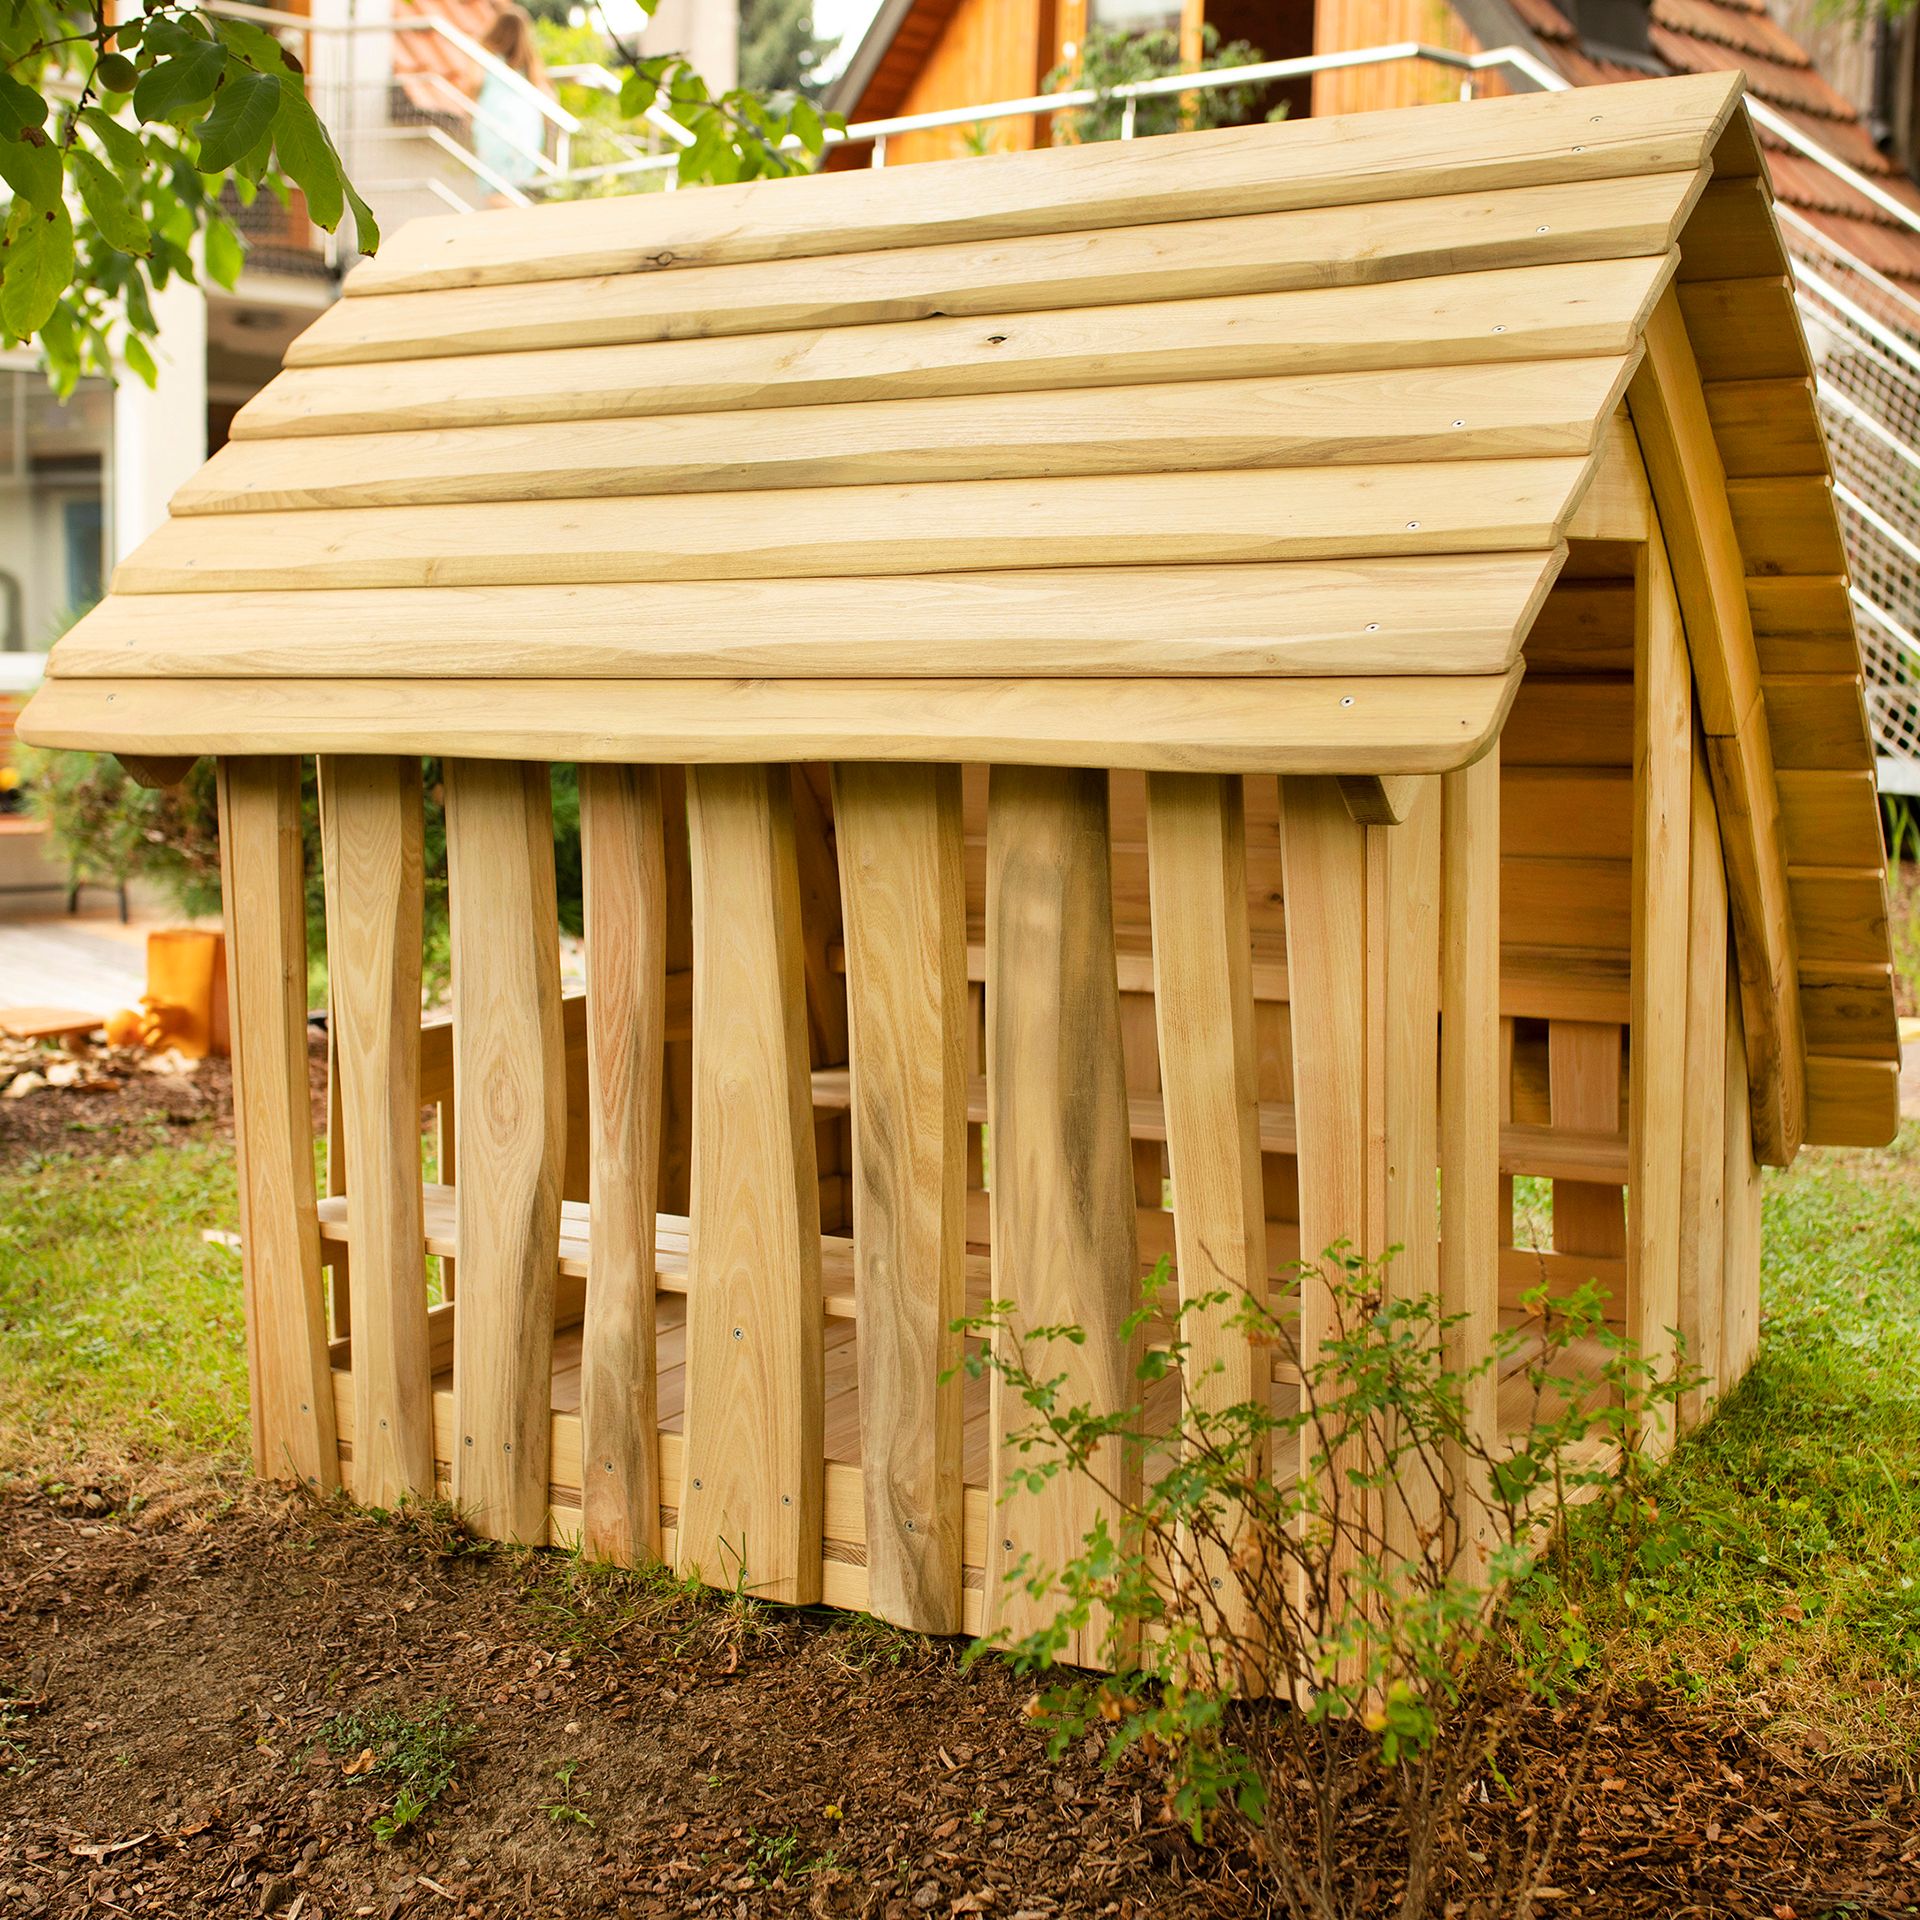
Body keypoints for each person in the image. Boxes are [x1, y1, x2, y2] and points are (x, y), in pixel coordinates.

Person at [466, 5, 552, 194]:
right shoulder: (529, 61)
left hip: (494, 122)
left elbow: (474, 82)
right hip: (527, 125)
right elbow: (547, 95)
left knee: (494, 188)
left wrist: (468, 112)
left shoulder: (485, 54)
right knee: (516, 187)